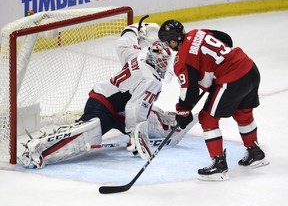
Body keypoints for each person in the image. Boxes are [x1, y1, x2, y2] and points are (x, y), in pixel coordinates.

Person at [17, 21, 193, 169]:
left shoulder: (139, 54)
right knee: (86, 135)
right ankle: (39, 150)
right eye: (161, 62)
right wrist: (135, 134)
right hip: (104, 107)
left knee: (150, 117)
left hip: (115, 105)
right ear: (154, 59)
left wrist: (134, 29)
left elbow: (124, 43)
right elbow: (136, 109)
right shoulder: (152, 80)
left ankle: (171, 125)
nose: (163, 66)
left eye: (165, 62)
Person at [158, 19, 269, 181]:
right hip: (249, 68)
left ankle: (218, 165)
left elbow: (189, 92)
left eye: (168, 43)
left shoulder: (183, 59)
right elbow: (225, 38)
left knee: (208, 119)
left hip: (232, 79)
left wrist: (183, 111)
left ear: (173, 41)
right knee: (243, 113)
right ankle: (255, 153)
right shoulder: (197, 32)